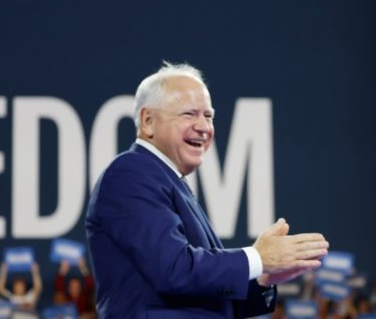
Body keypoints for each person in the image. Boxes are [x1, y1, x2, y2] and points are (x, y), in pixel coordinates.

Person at [86, 62, 329, 318]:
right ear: (148, 121)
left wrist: (263, 277)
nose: (204, 127)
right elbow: (174, 270)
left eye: (209, 116)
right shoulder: (131, 173)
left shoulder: (169, 180)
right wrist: (257, 257)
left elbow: (207, 298)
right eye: (189, 114)